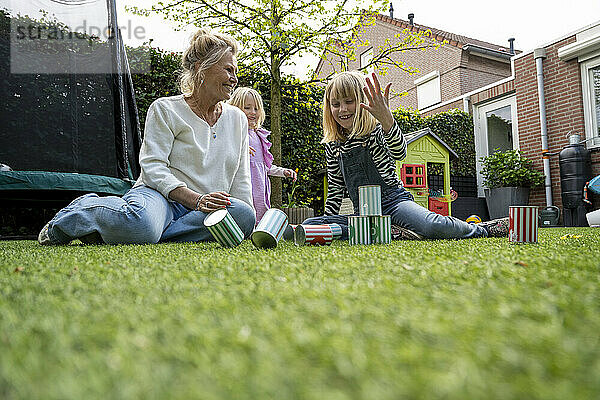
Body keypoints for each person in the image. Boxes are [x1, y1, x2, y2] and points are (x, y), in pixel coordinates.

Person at [38, 28, 255, 245]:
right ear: (201, 68)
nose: (234, 79)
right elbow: (153, 168)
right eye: (228, 70)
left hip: (202, 210)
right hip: (160, 197)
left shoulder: (237, 119)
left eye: (235, 72)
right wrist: (195, 199)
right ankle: (80, 212)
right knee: (141, 223)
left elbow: (240, 179)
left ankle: (151, 233)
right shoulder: (166, 109)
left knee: (244, 215)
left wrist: (249, 224)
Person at [302, 71, 509, 240]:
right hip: (362, 213)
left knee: (430, 225)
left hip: (394, 203)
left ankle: (483, 229)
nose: (343, 109)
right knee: (310, 225)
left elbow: (399, 151)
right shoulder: (333, 145)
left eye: (349, 101)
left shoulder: (376, 131)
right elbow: (336, 187)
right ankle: (392, 232)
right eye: (335, 104)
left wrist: (387, 121)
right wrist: (327, 222)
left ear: (362, 102)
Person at [228, 87, 297, 223]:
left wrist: (283, 172)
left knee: (261, 210)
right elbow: (225, 154)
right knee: (244, 212)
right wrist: (239, 147)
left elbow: (264, 166)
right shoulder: (234, 133)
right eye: (247, 108)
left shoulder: (259, 135)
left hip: (260, 186)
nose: (252, 112)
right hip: (243, 186)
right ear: (234, 109)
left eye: (256, 108)